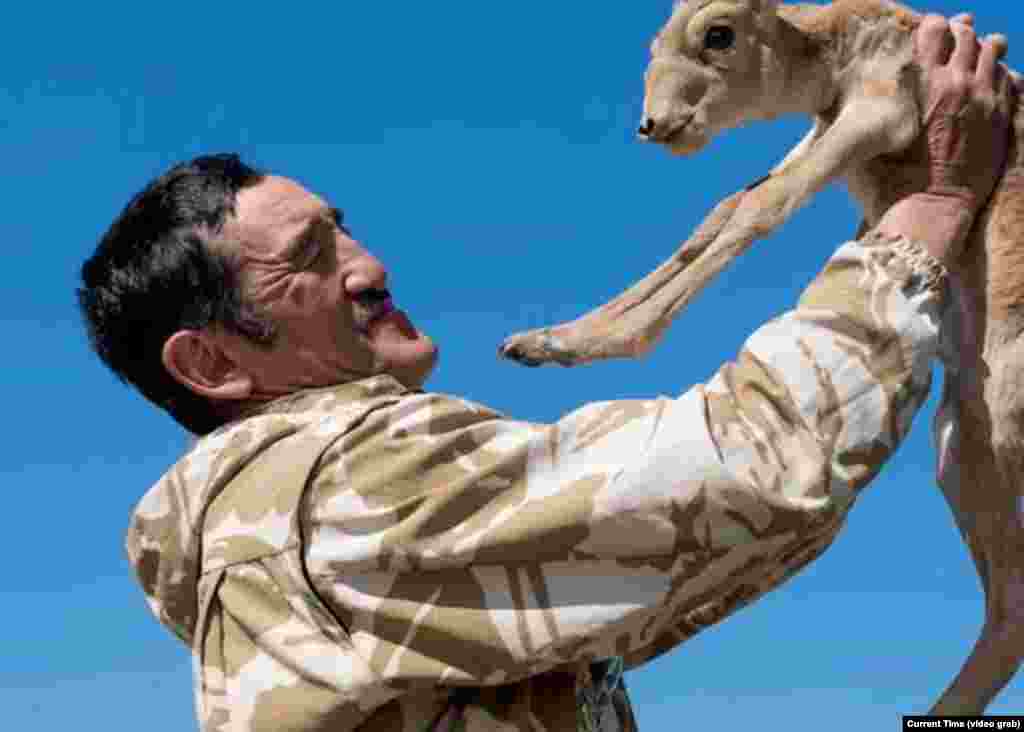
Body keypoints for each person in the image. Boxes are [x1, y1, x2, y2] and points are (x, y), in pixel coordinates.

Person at [77, 14, 1014, 732]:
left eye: (345, 229)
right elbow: (744, 468)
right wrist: (928, 209)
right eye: (311, 257)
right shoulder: (333, 487)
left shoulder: (281, 548)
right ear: (211, 360)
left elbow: (674, 574)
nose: (368, 265)